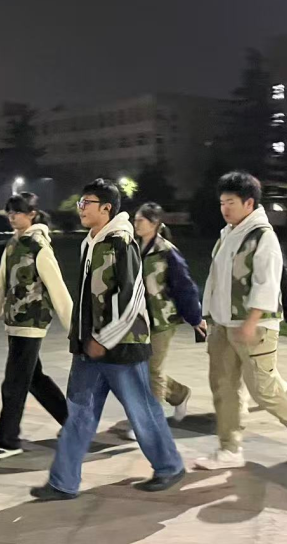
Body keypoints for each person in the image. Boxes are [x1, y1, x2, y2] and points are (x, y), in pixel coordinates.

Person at [30, 178, 186, 501]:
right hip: (90, 347)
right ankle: (63, 482)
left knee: (142, 410)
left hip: (122, 347)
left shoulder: (121, 244)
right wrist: (84, 338)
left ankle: (169, 466)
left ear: (106, 208)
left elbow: (133, 298)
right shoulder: (92, 241)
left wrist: (105, 339)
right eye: (81, 202)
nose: (81, 208)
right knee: (79, 413)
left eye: (86, 203)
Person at [196, 171, 287, 470]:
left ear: (249, 203)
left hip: (255, 326)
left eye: (231, 203)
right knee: (223, 387)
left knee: (262, 389)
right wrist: (207, 315)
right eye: (222, 203)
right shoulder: (227, 234)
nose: (225, 209)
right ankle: (229, 449)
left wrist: (251, 321)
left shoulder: (263, 236)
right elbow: (215, 280)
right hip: (223, 325)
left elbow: (267, 283)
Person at [0, 192, 73, 458]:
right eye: (9, 212)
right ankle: (74, 424)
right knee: (34, 379)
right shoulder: (13, 244)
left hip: (32, 322)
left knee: (14, 383)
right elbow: (1, 281)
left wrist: (73, 328)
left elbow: (57, 288)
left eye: (17, 212)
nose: (12, 217)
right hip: (15, 321)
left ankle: (8, 441)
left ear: (32, 214)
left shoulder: (38, 246)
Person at [126, 202, 205, 440]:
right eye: (135, 220)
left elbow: (185, 287)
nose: (136, 224)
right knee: (139, 369)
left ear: (155, 223)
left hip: (162, 319)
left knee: (152, 370)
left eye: (140, 220)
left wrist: (195, 318)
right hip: (138, 319)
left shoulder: (167, 251)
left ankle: (150, 424)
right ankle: (179, 394)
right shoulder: (132, 247)